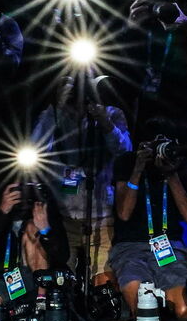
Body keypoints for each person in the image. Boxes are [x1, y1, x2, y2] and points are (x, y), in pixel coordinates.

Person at [32, 76, 132, 287]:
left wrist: (104, 121)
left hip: (100, 218)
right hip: (64, 218)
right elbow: (35, 150)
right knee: (60, 283)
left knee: (104, 284)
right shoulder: (53, 115)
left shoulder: (111, 113)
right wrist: (56, 110)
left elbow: (125, 151)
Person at [110, 118, 187, 321]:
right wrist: (138, 169)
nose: (160, 150)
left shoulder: (182, 165)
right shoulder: (127, 162)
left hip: (169, 248)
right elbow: (124, 213)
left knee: (184, 310)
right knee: (143, 310)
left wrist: (171, 174)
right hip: (131, 248)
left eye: (165, 144)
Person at [0, 184, 68, 307]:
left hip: (35, 279)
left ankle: (41, 301)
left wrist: (45, 230)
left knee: (32, 228)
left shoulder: (44, 211)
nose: (22, 193)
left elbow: (62, 256)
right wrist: (2, 212)